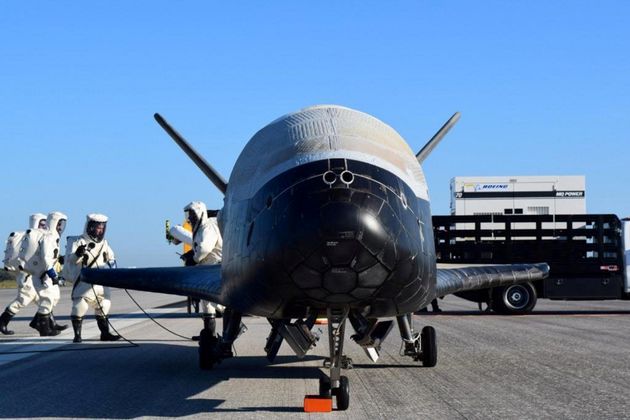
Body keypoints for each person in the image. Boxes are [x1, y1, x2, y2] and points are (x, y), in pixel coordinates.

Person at [64, 214, 120, 343]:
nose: (98, 230)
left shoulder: (104, 243)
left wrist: (114, 272)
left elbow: (111, 258)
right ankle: (77, 335)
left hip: (101, 281)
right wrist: (78, 253)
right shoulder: (77, 241)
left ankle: (105, 333)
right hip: (85, 280)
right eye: (96, 227)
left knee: (104, 305)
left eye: (101, 228)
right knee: (80, 307)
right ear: (89, 227)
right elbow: (70, 260)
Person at [0, 213, 47, 335]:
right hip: (25, 274)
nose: (44, 226)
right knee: (24, 298)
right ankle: (2, 323)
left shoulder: (38, 237)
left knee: (44, 298)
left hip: (33, 273)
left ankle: (44, 324)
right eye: (42, 224)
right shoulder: (28, 238)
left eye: (45, 224)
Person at [182, 201, 223, 337]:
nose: (190, 218)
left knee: (218, 303)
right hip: (207, 268)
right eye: (189, 214)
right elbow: (198, 247)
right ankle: (209, 333)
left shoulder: (208, 227)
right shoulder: (200, 228)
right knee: (207, 304)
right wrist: (191, 254)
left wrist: (193, 259)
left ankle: (231, 329)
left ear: (200, 213)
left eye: (193, 214)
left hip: (214, 268)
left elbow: (204, 248)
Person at [29, 211, 69, 336]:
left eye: (62, 224)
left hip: (48, 274)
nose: (60, 227)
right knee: (47, 299)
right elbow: (46, 258)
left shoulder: (53, 237)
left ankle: (37, 322)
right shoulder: (48, 237)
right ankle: (45, 329)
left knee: (55, 297)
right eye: (59, 224)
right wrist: (53, 275)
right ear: (53, 223)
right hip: (43, 275)